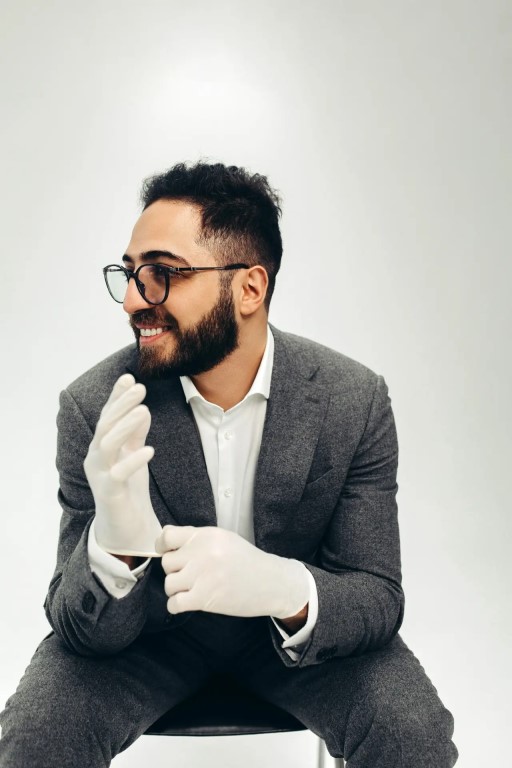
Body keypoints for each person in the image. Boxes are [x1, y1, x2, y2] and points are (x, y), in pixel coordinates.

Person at [0, 161, 458, 767]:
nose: (134, 300)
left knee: (413, 734)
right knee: (35, 736)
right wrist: (113, 550)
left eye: (162, 273)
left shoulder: (353, 400)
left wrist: (284, 587)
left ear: (249, 288)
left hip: (292, 642)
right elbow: (79, 629)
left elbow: (377, 595)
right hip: (148, 639)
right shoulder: (96, 406)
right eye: (131, 274)